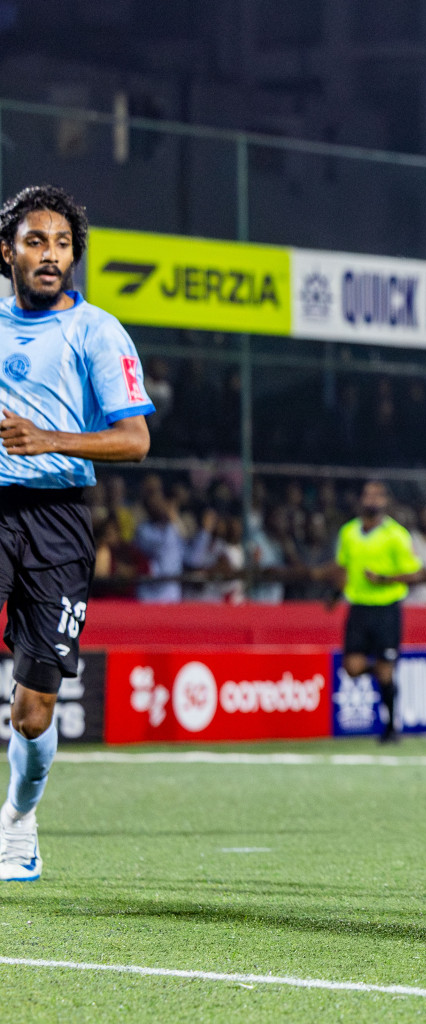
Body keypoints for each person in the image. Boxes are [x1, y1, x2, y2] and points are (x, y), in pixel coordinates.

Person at [0, 185, 153, 881]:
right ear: (8, 253)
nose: (50, 255)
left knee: (31, 714)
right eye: (36, 242)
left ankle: (20, 819)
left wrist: (46, 439)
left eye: (62, 244)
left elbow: (134, 440)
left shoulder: (97, 331)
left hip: (59, 519)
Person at [331, 481, 423, 743]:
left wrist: (384, 579)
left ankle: (391, 728)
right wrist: (335, 595)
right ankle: (384, 673)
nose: (372, 500)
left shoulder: (396, 535)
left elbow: (415, 573)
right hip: (358, 607)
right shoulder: (348, 532)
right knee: (352, 666)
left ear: (385, 501)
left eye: (377, 495)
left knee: (385, 670)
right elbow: (343, 568)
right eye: (367, 494)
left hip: (386, 609)